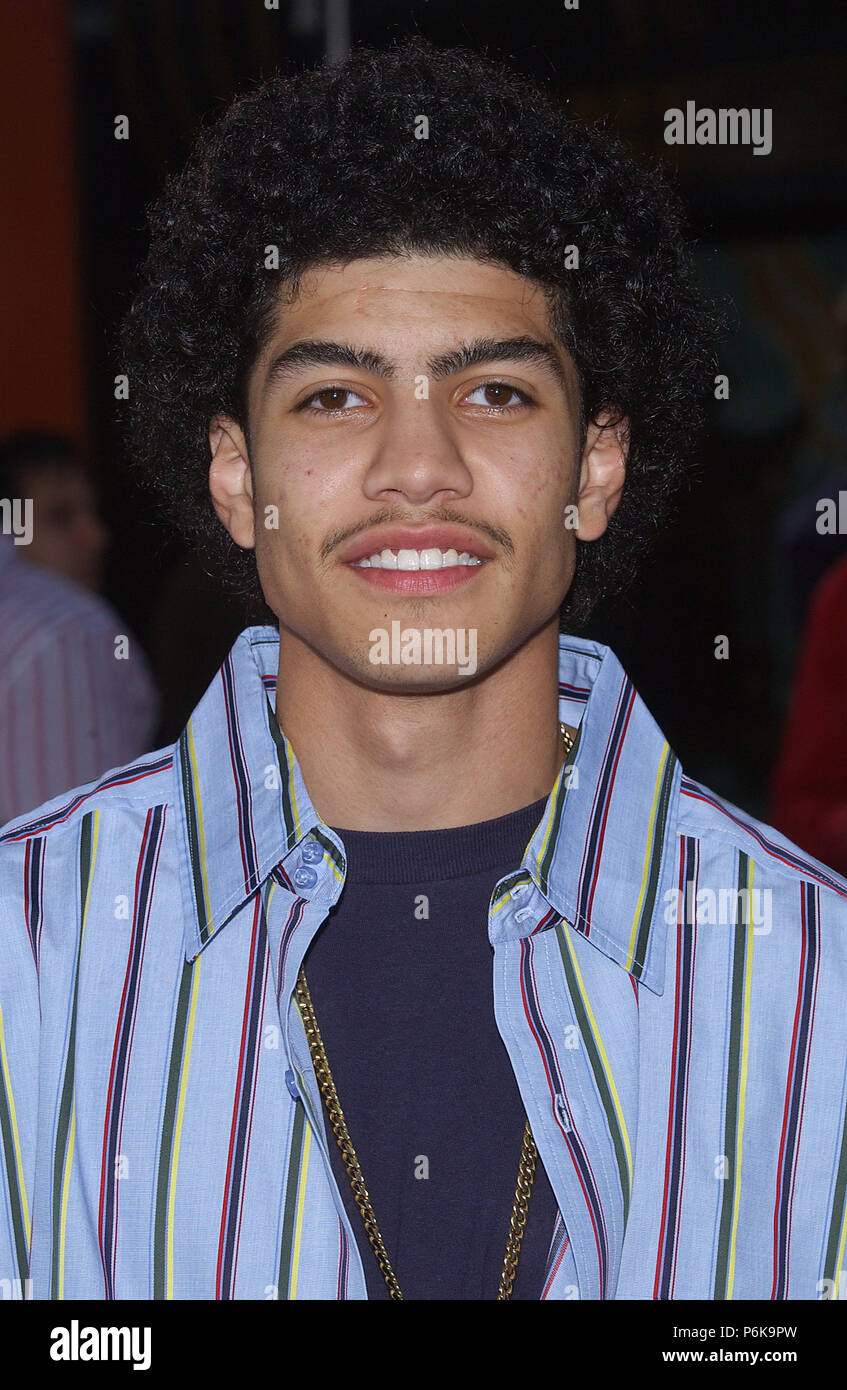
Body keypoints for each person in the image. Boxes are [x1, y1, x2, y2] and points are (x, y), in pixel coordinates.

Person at [2, 39, 846, 1303]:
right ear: (236, 475)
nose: (418, 468)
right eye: (334, 397)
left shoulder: (814, 977)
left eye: (495, 392)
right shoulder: (26, 952)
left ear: (595, 469)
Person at [0, 433, 159, 822]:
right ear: (7, 527)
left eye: (93, 514)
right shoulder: (62, 632)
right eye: (60, 516)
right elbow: (75, 854)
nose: (97, 537)